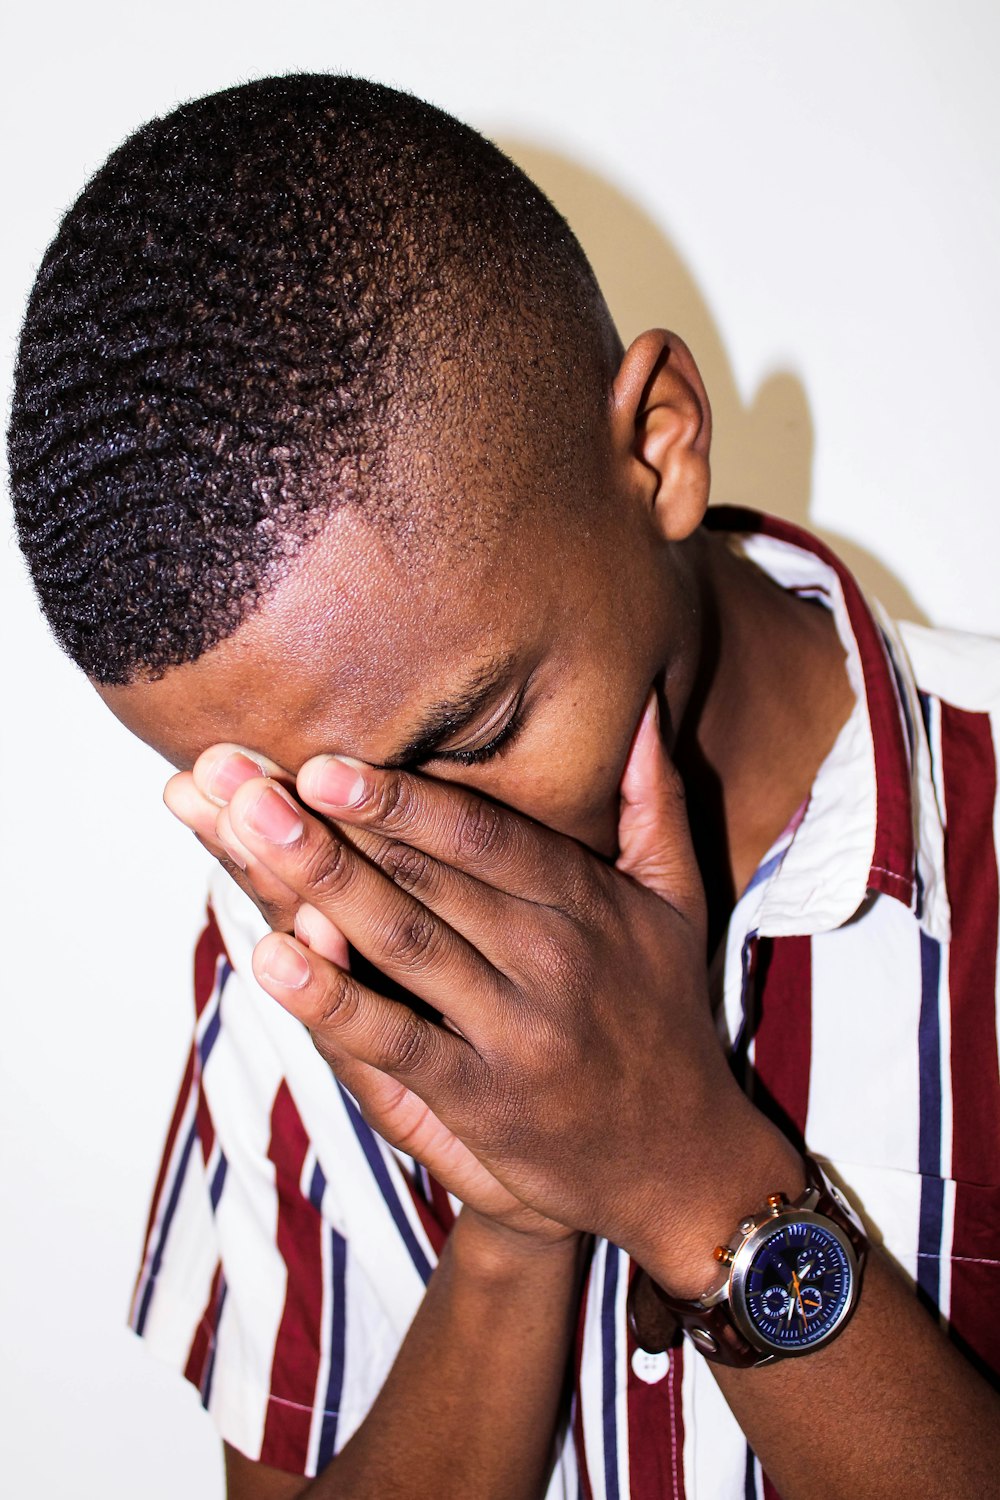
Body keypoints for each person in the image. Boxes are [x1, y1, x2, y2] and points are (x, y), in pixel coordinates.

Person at [8, 73, 1000, 1500]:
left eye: (470, 735)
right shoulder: (295, 962)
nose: (413, 881)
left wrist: (689, 1183)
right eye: (292, 819)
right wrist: (513, 1233)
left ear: (658, 444)